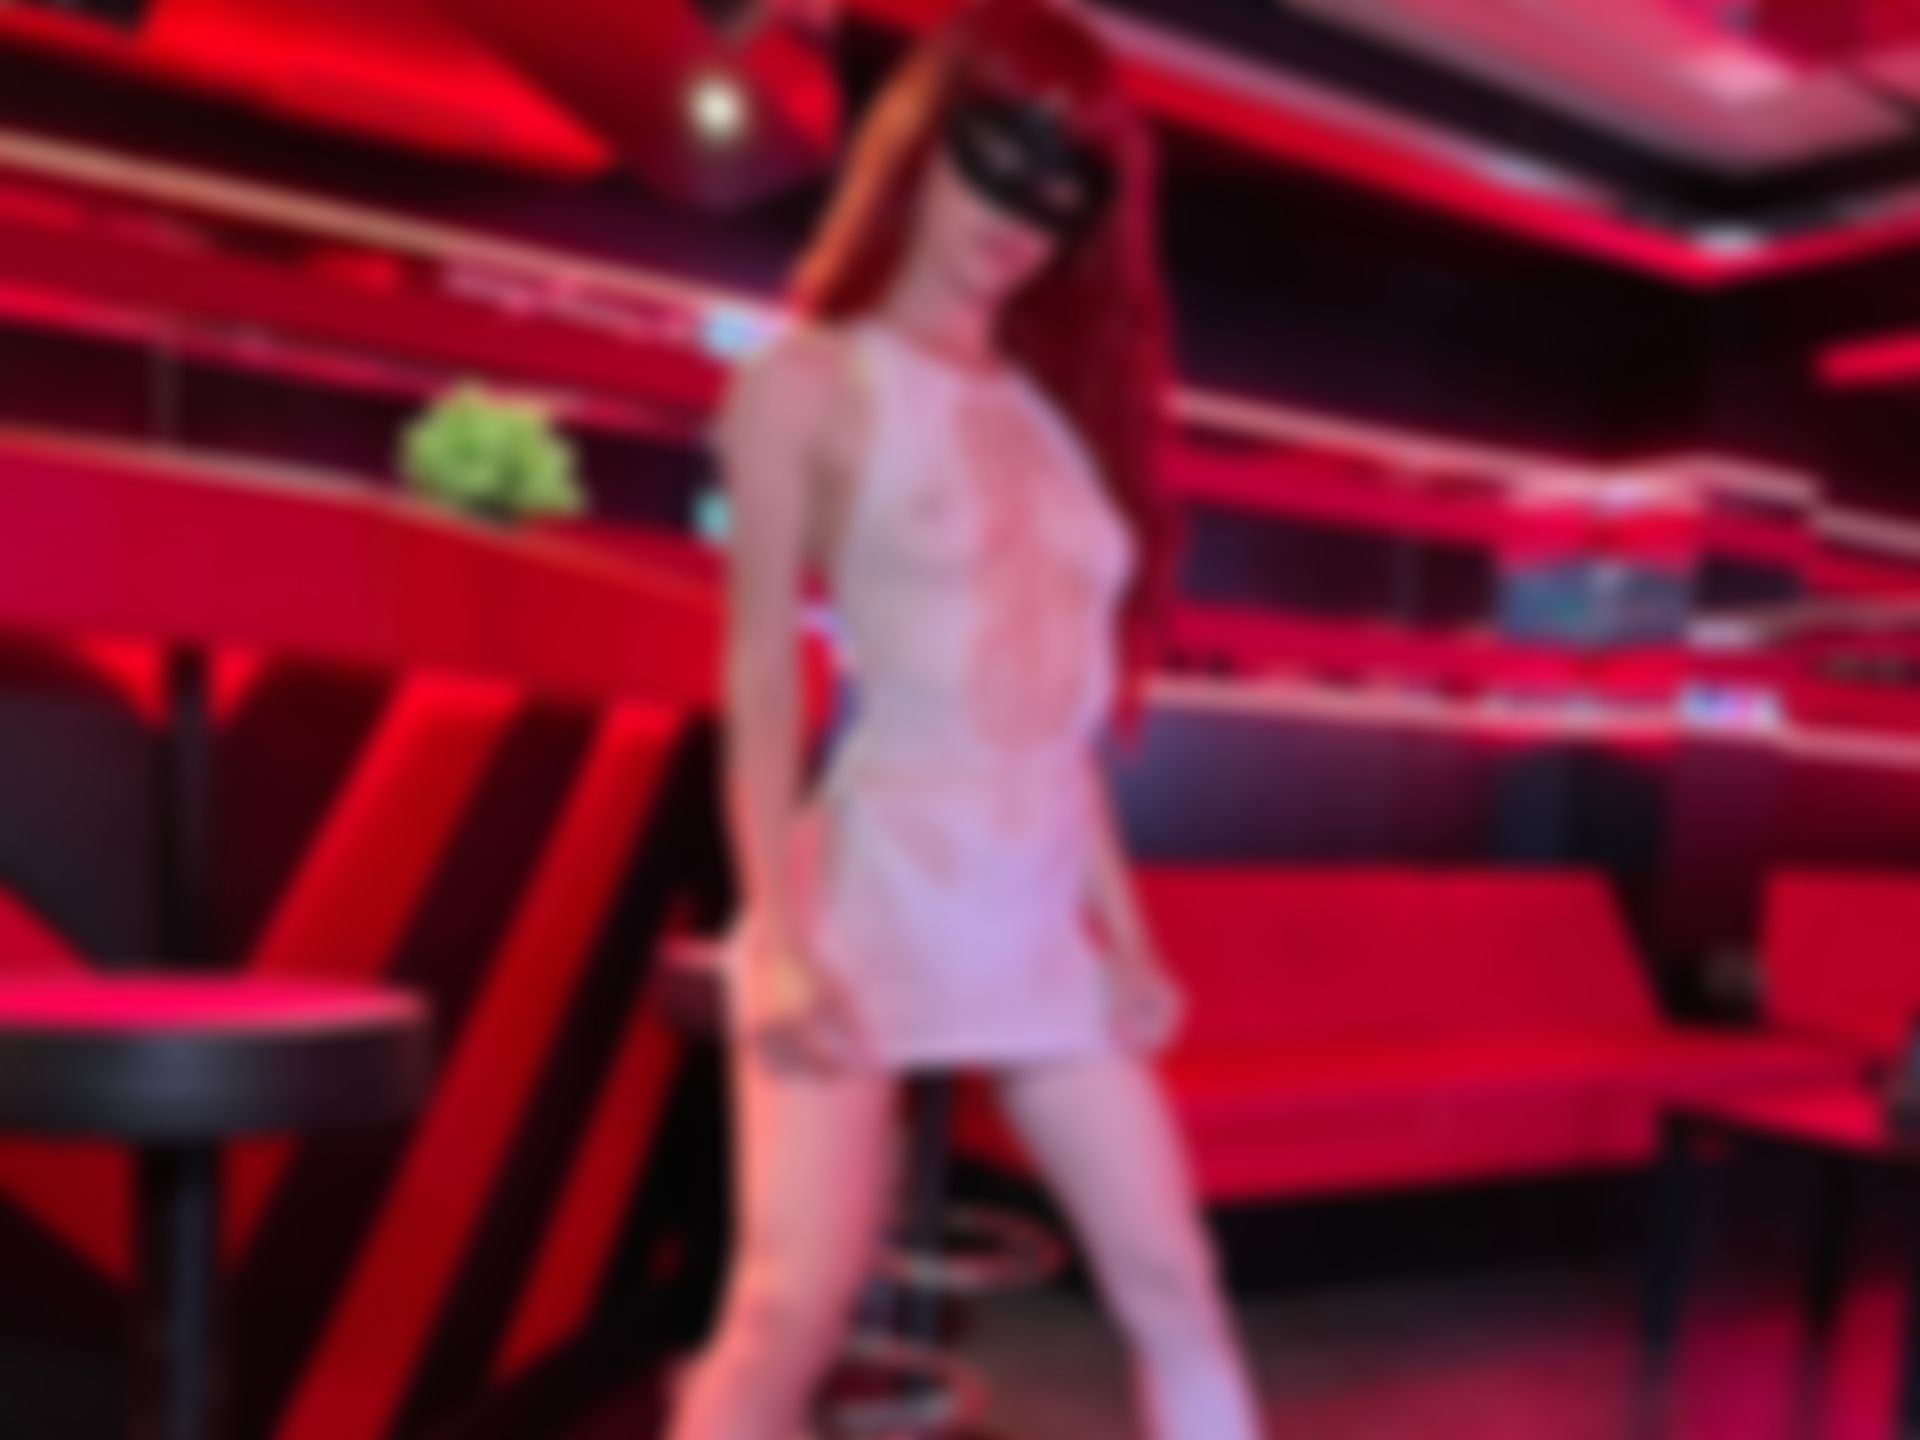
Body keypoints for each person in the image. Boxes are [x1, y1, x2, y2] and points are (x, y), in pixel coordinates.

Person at [665, 1, 1268, 1436]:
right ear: (920, 144)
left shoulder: (1063, 417)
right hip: (873, 887)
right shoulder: (806, 382)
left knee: (1174, 1277)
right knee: (786, 1308)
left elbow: (1056, 720)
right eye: (998, 160)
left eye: (1065, 190)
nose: (1021, 215)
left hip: (1034, 904)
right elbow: (761, 681)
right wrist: (781, 939)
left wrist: (1126, 934)